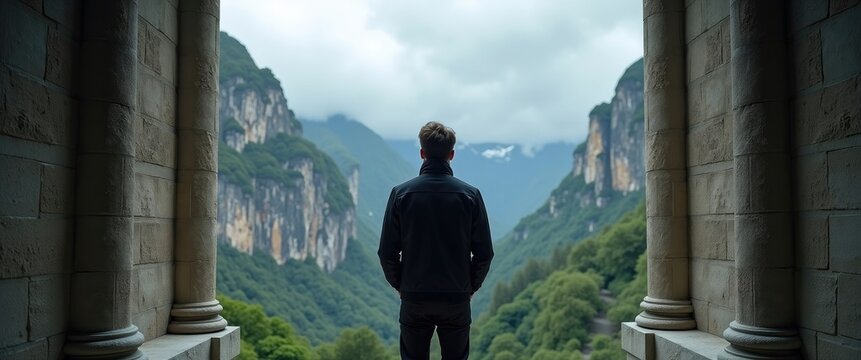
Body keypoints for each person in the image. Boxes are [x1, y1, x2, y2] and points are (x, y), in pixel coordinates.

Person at [378, 121, 494, 360]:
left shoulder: (401, 194)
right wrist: (470, 287)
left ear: (422, 153)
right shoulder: (470, 196)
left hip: (414, 297)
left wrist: (402, 286)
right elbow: (484, 253)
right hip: (456, 297)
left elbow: (387, 252)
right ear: (452, 154)